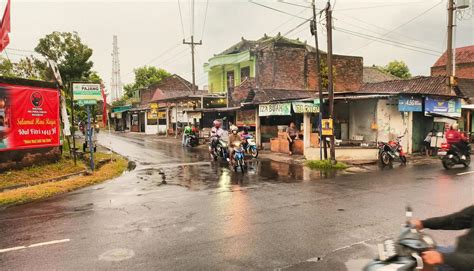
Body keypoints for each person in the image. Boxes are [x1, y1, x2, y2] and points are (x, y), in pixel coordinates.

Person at [411, 205, 474, 271]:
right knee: (421, 252)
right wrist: (423, 223)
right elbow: (455, 219)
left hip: (467, 261)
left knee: (426, 261)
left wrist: (443, 258)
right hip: (462, 250)